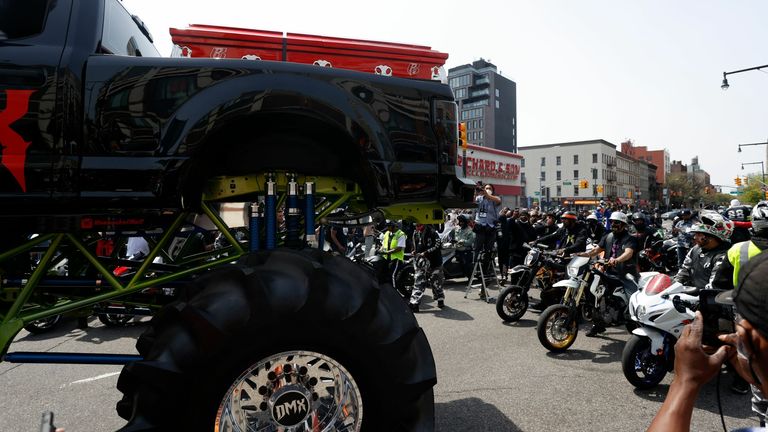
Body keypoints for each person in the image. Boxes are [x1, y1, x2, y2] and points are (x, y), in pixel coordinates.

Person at [647, 252, 768, 432]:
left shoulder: (721, 254)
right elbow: (683, 272)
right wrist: (761, 378)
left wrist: (685, 381)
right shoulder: (695, 251)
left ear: (751, 339)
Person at [714, 201, 768, 410]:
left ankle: (743, 383)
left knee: (742, 350)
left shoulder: (737, 249)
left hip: (745, 312)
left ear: (753, 224)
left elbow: (719, 283)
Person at [575, 211, 638, 337]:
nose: (614, 224)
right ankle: (598, 324)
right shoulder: (608, 236)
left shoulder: (630, 238)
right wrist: (583, 254)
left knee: (633, 302)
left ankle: (638, 326)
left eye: (617, 223)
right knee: (594, 295)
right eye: (612, 222)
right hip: (608, 273)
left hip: (626, 275)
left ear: (624, 225)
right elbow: (596, 250)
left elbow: (628, 253)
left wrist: (617, 259)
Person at [409, 224, 445, 312]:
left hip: (434, 261)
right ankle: (415, 303)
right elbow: (414, 244)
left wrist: (426, 252)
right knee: (419, 280)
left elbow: (437, 245)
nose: (417, 227)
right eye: (416, 226)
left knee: (436, 281)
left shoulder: (433, 233)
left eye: (419, 225)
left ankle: (440, 298)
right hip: (421, 261)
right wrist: (414, 251)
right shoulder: (415, 233)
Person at [472, 182, 502, 271]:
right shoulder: (479, 198)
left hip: (491, 227)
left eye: (490, 188)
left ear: (492, 191)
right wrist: (475, 191)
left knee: (488, 250)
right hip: (480, 226)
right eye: (486, 188)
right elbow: (472, 202)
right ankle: (475, 268)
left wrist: (486, 193)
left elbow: (495, 200)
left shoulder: (496, 198)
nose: (488, 190)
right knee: (477, 248)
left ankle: (486, 268)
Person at [379, 220, 406, 288]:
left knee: (392, 275)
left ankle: (394, 293)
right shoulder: (387, 233)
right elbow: (383, 244)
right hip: (386, 258)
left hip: (396, 259)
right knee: (382, 274)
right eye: (387, 226)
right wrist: (380, 249)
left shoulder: (401, 234)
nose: (387, 228)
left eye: (389, 226)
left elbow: (399, 248)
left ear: (394, 226)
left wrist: (387, 252)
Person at [453, 214, 476, 279]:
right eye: (460, 222)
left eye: (462, 222)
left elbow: (470, 242)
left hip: (466, 250)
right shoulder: (457, 229)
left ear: (466, 222)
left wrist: (463, 241)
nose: (461, 223)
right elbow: (455, 237)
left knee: (466, 264)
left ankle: (470, 277)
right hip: (457, 249)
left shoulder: (470, 231)